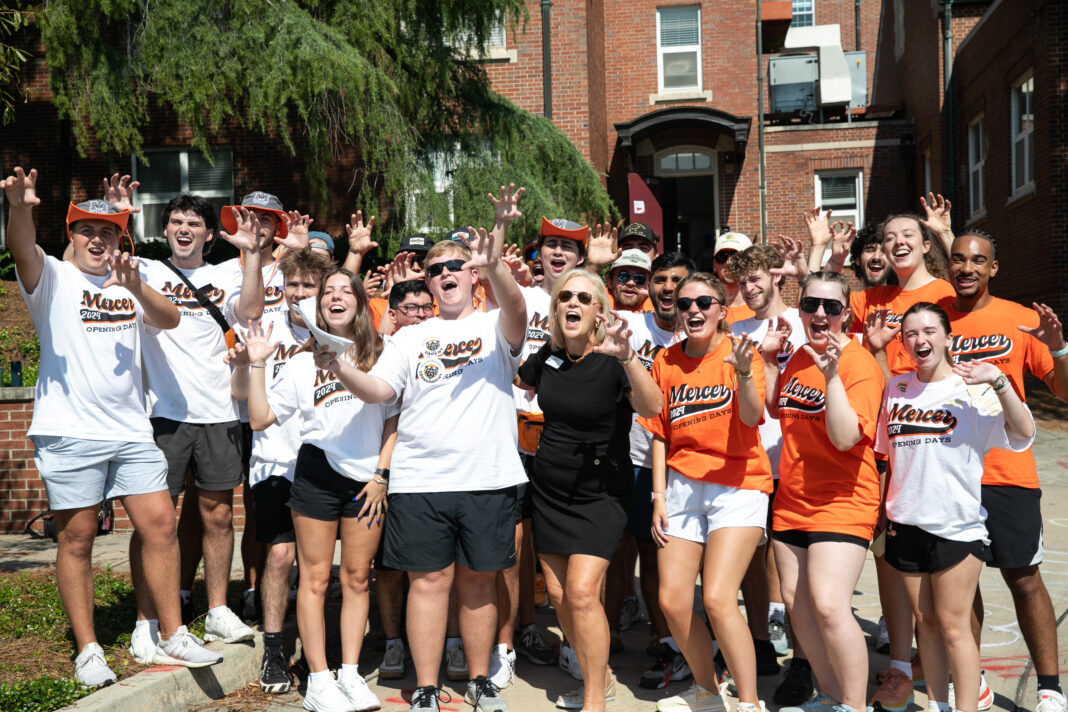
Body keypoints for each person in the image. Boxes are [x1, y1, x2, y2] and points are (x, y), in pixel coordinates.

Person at [3, 167, 221, 686]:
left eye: (108, 233)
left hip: (130, 431)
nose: (97, 240)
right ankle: (88, 648)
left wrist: (136, 287)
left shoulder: (129, 281)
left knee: (161, 525)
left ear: (119, 239)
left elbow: (168, 319)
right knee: (77, 537)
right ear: (70, 236)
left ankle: (172, 632)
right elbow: (21, 248)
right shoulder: (52, 277)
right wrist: (18, 209)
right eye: (87, 231)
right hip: (70, 431)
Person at [317, 185, 527, 712]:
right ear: (429, 283)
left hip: (489, 477)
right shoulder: (410, 338)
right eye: (437, 270)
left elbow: (519, 311)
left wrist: (495, 260)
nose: (447, 274)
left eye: (457, 265)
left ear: (473, 275)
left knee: (479, 585)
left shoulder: (492, 326)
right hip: (421, 481)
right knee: (429, 584)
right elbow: (380, 392)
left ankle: (479, 680)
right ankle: (428, 685)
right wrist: (339, 366)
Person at [99, 178, 265, 654]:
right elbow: (93, 263)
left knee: (216, 514)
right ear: (165, 229)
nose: (185, 228)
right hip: (160, 415)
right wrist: (117, 218)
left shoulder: (229, 273)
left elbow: (250, 310)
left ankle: (216, 610)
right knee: (155, 520)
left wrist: (251, 253)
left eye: (195, 223)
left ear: (210, 235)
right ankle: (145, 619)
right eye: (176, 221)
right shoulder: (146, 269)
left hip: (218, 412)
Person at [246, 268, 399, 712]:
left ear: (358, 302)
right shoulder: (299, 362)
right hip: (315, 474)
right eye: (326, 291)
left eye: (343, 291)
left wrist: (380, 476)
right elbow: (258, 419)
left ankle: (349, 674)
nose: (334, 297)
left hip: (367, 480)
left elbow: (391, 418)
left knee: (355, 578)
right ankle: (318, 680)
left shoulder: (381, 354)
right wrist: (257, 361)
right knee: (313, 579)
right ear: (318, 306)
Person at [877, 302, 1036, 712]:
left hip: (956, 525)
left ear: (948, 337)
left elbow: (1023, 432)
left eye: (929, 331)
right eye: (911, 333)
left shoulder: (973, 389)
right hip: (905, 523)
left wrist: (999, 380)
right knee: (925, 625)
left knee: (953, 626)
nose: (920, 340)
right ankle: (938, 704)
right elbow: (886, 454)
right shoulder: (895, 389)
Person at [515, 269, 662, 712]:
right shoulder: (549, 356)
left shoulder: (614, 358)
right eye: (565, 297)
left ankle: (595, 697)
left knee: (581, 592)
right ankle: (596, 670)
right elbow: (523, 381)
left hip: (601, 493)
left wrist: (628, 357)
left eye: (583, 297)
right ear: (556, 308)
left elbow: (653, 407)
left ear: (599, 309)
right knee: (559, 596)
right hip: (550, 493)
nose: (572, 303)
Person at [938, 231, 1068, 712]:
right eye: (957, 259)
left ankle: (1051, 689)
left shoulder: (1020, 320)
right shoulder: (934, 321)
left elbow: (1064, 392)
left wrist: (1057, 349)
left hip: (1007, 473)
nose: (966, 267)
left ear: (994, 268)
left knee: (1024, 579)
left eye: (978, 260)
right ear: (948, 265)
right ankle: (974, 682)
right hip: (949, 475)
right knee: (957, 585)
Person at [640, 272, 773, 712]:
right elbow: (660, 433)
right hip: (681, 485)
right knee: (672, 600)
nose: (693, 310)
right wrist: (658, 496)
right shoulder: (667, 360)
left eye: (703, 302)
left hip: (738, 483)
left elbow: (753, 418)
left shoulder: (741, 354)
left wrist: (742, 374)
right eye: (684, 304)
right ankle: (707, 693)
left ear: (721, 308)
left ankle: (749, 702)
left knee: (717, 598)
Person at [761, 272, 885, 712]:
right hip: (793, 499)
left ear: (845, 315)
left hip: (843, 501)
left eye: (831, 308)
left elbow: (846, 437)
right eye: (811, 304)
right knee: (799, 608)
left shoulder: (859, 365)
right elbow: (778, 407)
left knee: (831, 607)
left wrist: (832, 376)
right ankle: (832, 695)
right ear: (799, 309)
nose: (820, 314)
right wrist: (772, 362)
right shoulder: (799, 356)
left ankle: (855, 705)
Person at [230, 248, 333, 694]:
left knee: (320, 568)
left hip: (325, 463)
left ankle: (320, 656)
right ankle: (273, 649)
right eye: (293, 284)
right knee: (278, 556)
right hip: (274, 459)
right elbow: (240, 395)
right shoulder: (263, 326)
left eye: (309, 285)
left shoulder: (336, 332)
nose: (299, 292)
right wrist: (242, 363)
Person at [728, 245, 810, 699]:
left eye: (757, 278)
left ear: (775, 277)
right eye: (743, 282)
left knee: (795, 565)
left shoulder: (802, 320)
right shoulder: (735, 328)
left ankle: (802, 661)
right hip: (750, 459)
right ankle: (759, 644)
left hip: (795, 458)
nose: (750, 288)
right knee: (751, 559)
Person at [621, 252, 694, 691]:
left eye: (677, 282)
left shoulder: (707, 329)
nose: (668, 288)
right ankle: (663, 638)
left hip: (691, 466)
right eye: (660, 280)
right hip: (640, 460)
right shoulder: (631, 327)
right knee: (651, 552)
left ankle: (702, 642)